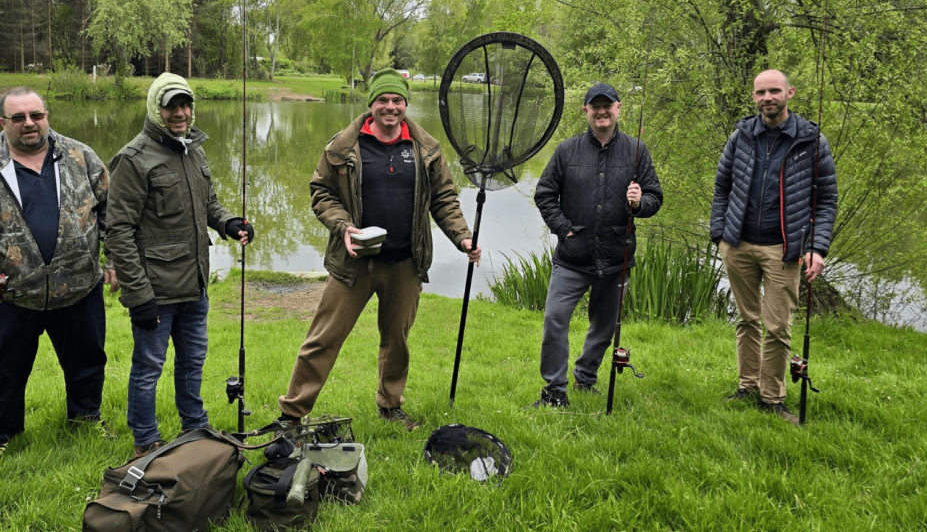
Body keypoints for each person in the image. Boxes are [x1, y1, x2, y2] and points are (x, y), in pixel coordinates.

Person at [277, 68, 481, 430]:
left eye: (397, 100)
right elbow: (320, 193)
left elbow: (445, 199)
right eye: (383, 100)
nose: (390, 107)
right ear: (371, 104)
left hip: (405, 263)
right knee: (322, 340)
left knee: (397, 343)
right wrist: (343, 226)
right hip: (354, 263)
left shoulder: (428, 150)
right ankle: (292, 414)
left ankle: (390, 407)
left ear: (405, 104)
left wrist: (463, 236)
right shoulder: (342, 147)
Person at [0, 87, 117, 462]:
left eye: (36, 115)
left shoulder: (81, 156)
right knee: (3, 369)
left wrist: (113, 261)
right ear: (3, 123)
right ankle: (0, 435)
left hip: (79, 287)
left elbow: (111, 213)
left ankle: (85, 419)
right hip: (8, 293)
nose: (29, 124)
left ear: (47, 115)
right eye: (18, 118)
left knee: (87, 361)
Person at [105, 73, 254, 460]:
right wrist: (139, 297)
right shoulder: (134, 159)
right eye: (171, 105)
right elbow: (118, 232)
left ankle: (195, 424)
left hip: (195, 285)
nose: (180, 113)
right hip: (155, 291)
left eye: (185, 104)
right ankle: (145, 440)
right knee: (149, 368)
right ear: (156, 108)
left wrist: (229, 223)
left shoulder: (194, 151)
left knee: (193, 361)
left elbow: (209, 204)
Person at [712, 69, 838, 425]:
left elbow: (827, 199)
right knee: (747, 319)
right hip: (738, 244)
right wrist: (719, 233)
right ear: (753, 97)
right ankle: (747, 387)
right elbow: (721, 186)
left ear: (789, 93)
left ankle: (772, 398)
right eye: (760, 92)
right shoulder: (740, 136)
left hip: (784, 249)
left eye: (774, 91)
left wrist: (817, 247)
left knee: (778, 325)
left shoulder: (812, 141)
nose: (767, 97)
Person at [531, 82, 663, 408]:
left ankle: (585, 379)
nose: (602, 111)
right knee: (554, 320)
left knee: (603, 328)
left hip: (616, 256)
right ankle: (554, 392)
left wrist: (638, 204)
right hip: (572, 257)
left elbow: (654, 198)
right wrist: (565, 230)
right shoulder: (566, 151)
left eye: (608, 105)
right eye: (595, 106)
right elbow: (544, 195)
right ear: (586, 110)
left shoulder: (637, 151)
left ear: (618, 108)